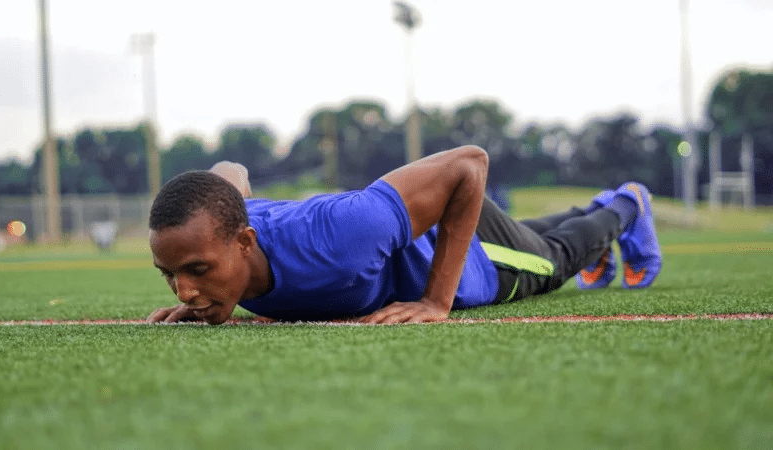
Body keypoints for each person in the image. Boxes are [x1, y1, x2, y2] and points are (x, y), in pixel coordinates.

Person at [146, 145, 662, 325]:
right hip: (427, 226)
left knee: (552, 260)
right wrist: (206, 290)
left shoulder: (339, 237)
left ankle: (625, 205)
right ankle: (599, 208)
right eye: (170, 275)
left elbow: (469, 164)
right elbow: (230, 171)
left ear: (244, 242)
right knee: (531, 237)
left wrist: (437, 300)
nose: (185, 292)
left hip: (466, 252)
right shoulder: (228, 223)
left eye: (198, 271)